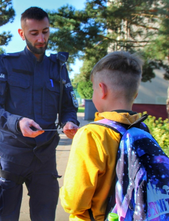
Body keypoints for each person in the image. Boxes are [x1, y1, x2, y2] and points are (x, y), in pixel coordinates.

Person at [0, 7, 79, 221]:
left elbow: (68, 107)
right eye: (34, 33)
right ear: (21, 33)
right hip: (11, 155)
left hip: (45, 158)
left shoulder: (58, 67)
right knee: (5, 217)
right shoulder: (6, 64)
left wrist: (69, 122)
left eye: (45, 31)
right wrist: (17, 122)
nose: (41, 38)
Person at [60, 51, 143, 221]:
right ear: (135, 94)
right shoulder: (142, 130)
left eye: (93, 88)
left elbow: (74, 202)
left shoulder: (91, 135)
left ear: (102, 89)